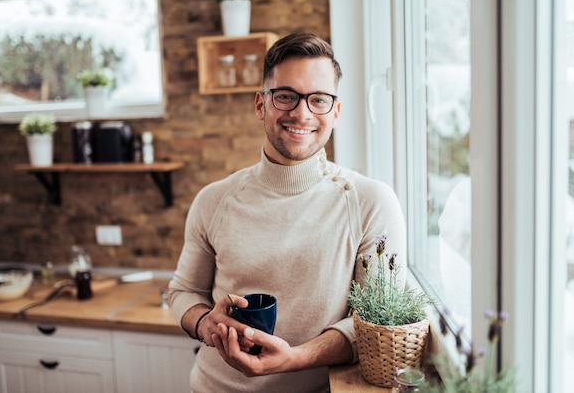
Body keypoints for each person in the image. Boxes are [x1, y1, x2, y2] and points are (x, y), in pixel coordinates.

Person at [168, 32, 406, 392]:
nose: (301, 112)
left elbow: (373, 326)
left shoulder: (370, 201)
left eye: (319, 99)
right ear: (261, 105)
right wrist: (206, 325)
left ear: (336, 112)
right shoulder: (213, 200)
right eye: (286, 96)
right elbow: (183, 291)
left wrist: (294, 358)